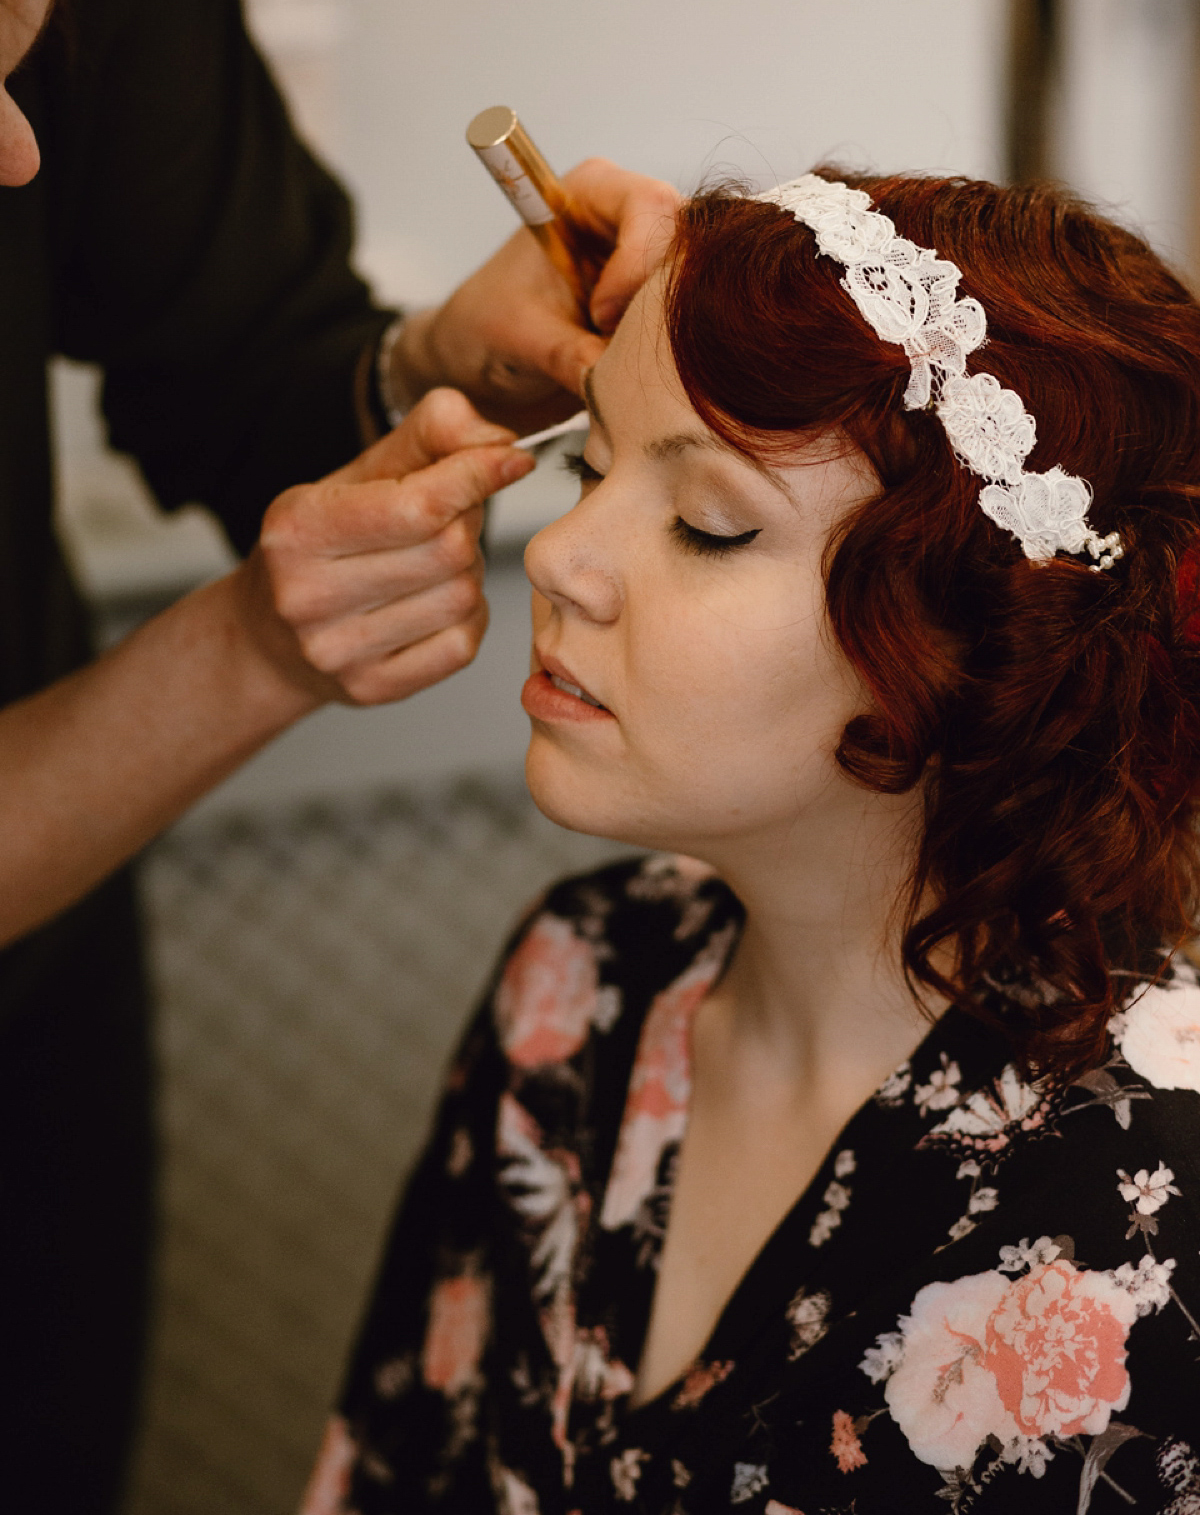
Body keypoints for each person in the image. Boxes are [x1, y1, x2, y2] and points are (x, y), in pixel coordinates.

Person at [0, 0, 678, 1507]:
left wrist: (414, 368)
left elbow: (222, 344)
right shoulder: (570, 1007)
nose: (16, 161)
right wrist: (240, 650)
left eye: (716, 523)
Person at [303, 170, 1200, 1514]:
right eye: (587, 465)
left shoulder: (1143, 1209)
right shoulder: (587, 974)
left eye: (707, 524)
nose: (559, 557)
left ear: (964, 644)